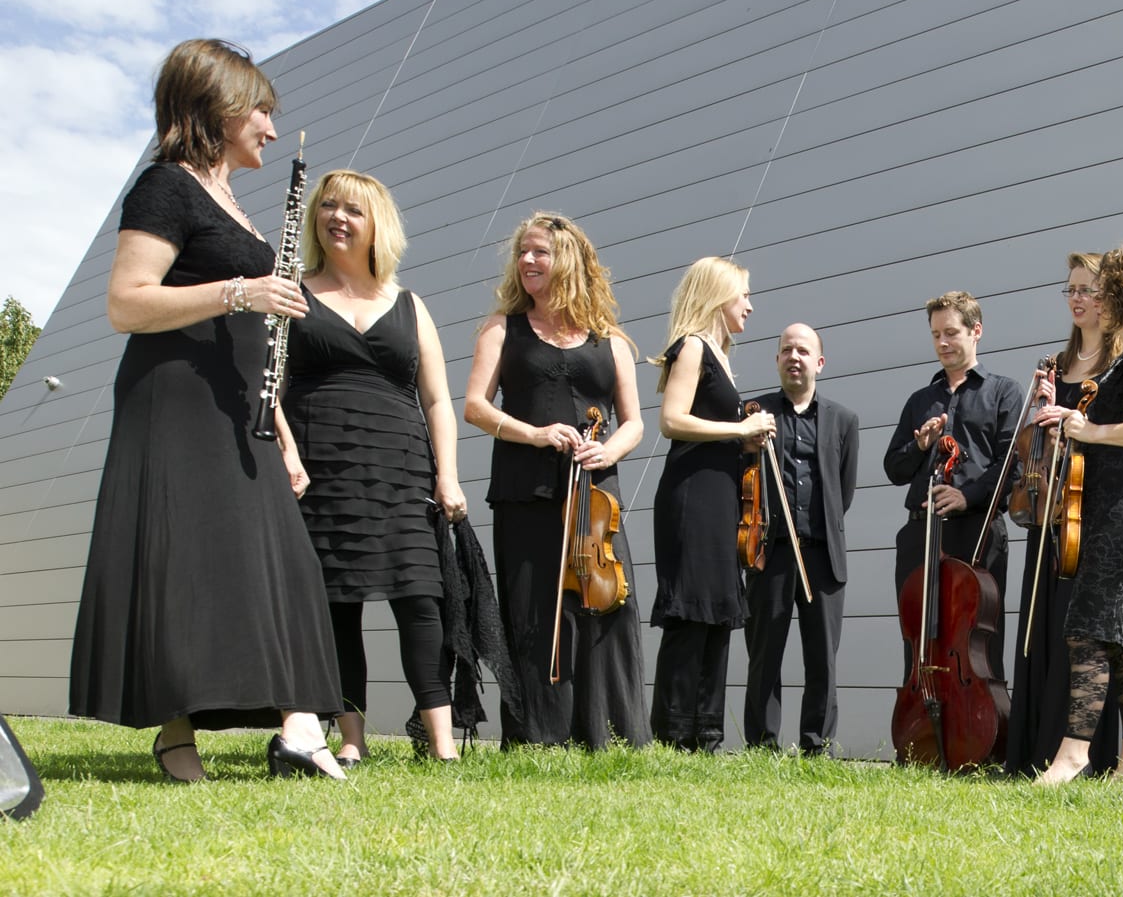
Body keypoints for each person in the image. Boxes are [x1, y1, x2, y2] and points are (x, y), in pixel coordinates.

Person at [69, 38, 345, 781]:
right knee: (187, 563)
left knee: (280, 562)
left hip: (241, 415)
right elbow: (126, 302)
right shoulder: (165, 186)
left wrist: (284, 433)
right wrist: (241, 290)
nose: (272, 129)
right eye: (261, 110)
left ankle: (296, 725)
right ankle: (177, 730)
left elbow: (251, 345)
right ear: (219, 106)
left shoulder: (234, 205)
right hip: (176, 405)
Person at [278, 170, 468, 764]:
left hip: (402, 467)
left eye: (352, 210)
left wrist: (448, 474)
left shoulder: (411, 305)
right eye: (327, 206)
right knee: (338, 604)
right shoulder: (292, 291)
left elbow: (438, 399)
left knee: (420, 599)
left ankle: (442, 745)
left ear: (375, 225)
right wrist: (286, 451)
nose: (337, 217)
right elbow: (269, 388)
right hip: (322, 467)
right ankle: (351, 739)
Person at [464, 212, 649, 749]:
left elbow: (634, 422)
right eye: (522, 252)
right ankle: (537, 735)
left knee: (605, 606)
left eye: (539, 252)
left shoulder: (610, 340)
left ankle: (610, 733)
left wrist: (605, 449)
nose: (526, 261)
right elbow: (476, 407)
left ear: (568, 259)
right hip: (527, 487)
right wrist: (536, 434)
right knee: (533, 610)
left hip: (596, 495)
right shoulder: (503, 328)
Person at [1033, 241, 1123, 785]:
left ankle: (1073, 755)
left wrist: (1090, 429)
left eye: (1103, 288)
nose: (1095, 297)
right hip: (1105, 503)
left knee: (1087, 627)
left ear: (1122, 291)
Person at [649, 256, 773, 751]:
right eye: (743, 294)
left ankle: (706, 735)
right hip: (691, 496)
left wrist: (743, 443)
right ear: (719, 295)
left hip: (719, 497)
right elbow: (671, 420)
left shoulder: (720, 354)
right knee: (691, 610)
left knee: (719, 609)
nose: (750, 304)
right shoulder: (694, 347)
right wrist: (739, 429)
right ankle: (675, 734)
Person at [1007, 253, 1123, 776]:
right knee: (1041, 627)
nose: (1078, 299)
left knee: (1082, 630)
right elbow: (1032, 450)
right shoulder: (1054, 365)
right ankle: (1034, 748)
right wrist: (1040, 413)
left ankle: (1081, 755)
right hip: (1051, 512)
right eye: (1071, 289)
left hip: (1093, 512)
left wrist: (1077, 420)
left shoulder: (1118, 369)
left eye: (1089, 289)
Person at [884, 291, 1025, 681]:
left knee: (979, 638)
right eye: (935, 335)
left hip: (977, 530)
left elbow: (1011, 462)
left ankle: (983, 734)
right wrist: (920, 445)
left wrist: (968, 495)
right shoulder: (920, 400)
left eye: (950, 333)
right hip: (922, 531)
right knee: (917, 636)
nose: (942, 343)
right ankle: (919, 726)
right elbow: (893, 468)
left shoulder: (1004, 391)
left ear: (975, 331)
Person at [741, 323, 860, 754]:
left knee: (822, 660)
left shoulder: (844, 421)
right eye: (786, 349)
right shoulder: (754, 413)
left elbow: (842, 493)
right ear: (777, 360)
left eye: (803, 351)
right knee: (764, 656)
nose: (794, 357)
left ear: (819, 363)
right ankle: (762, 746)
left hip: (823, 556)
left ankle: (817, 746)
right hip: (768, 553)